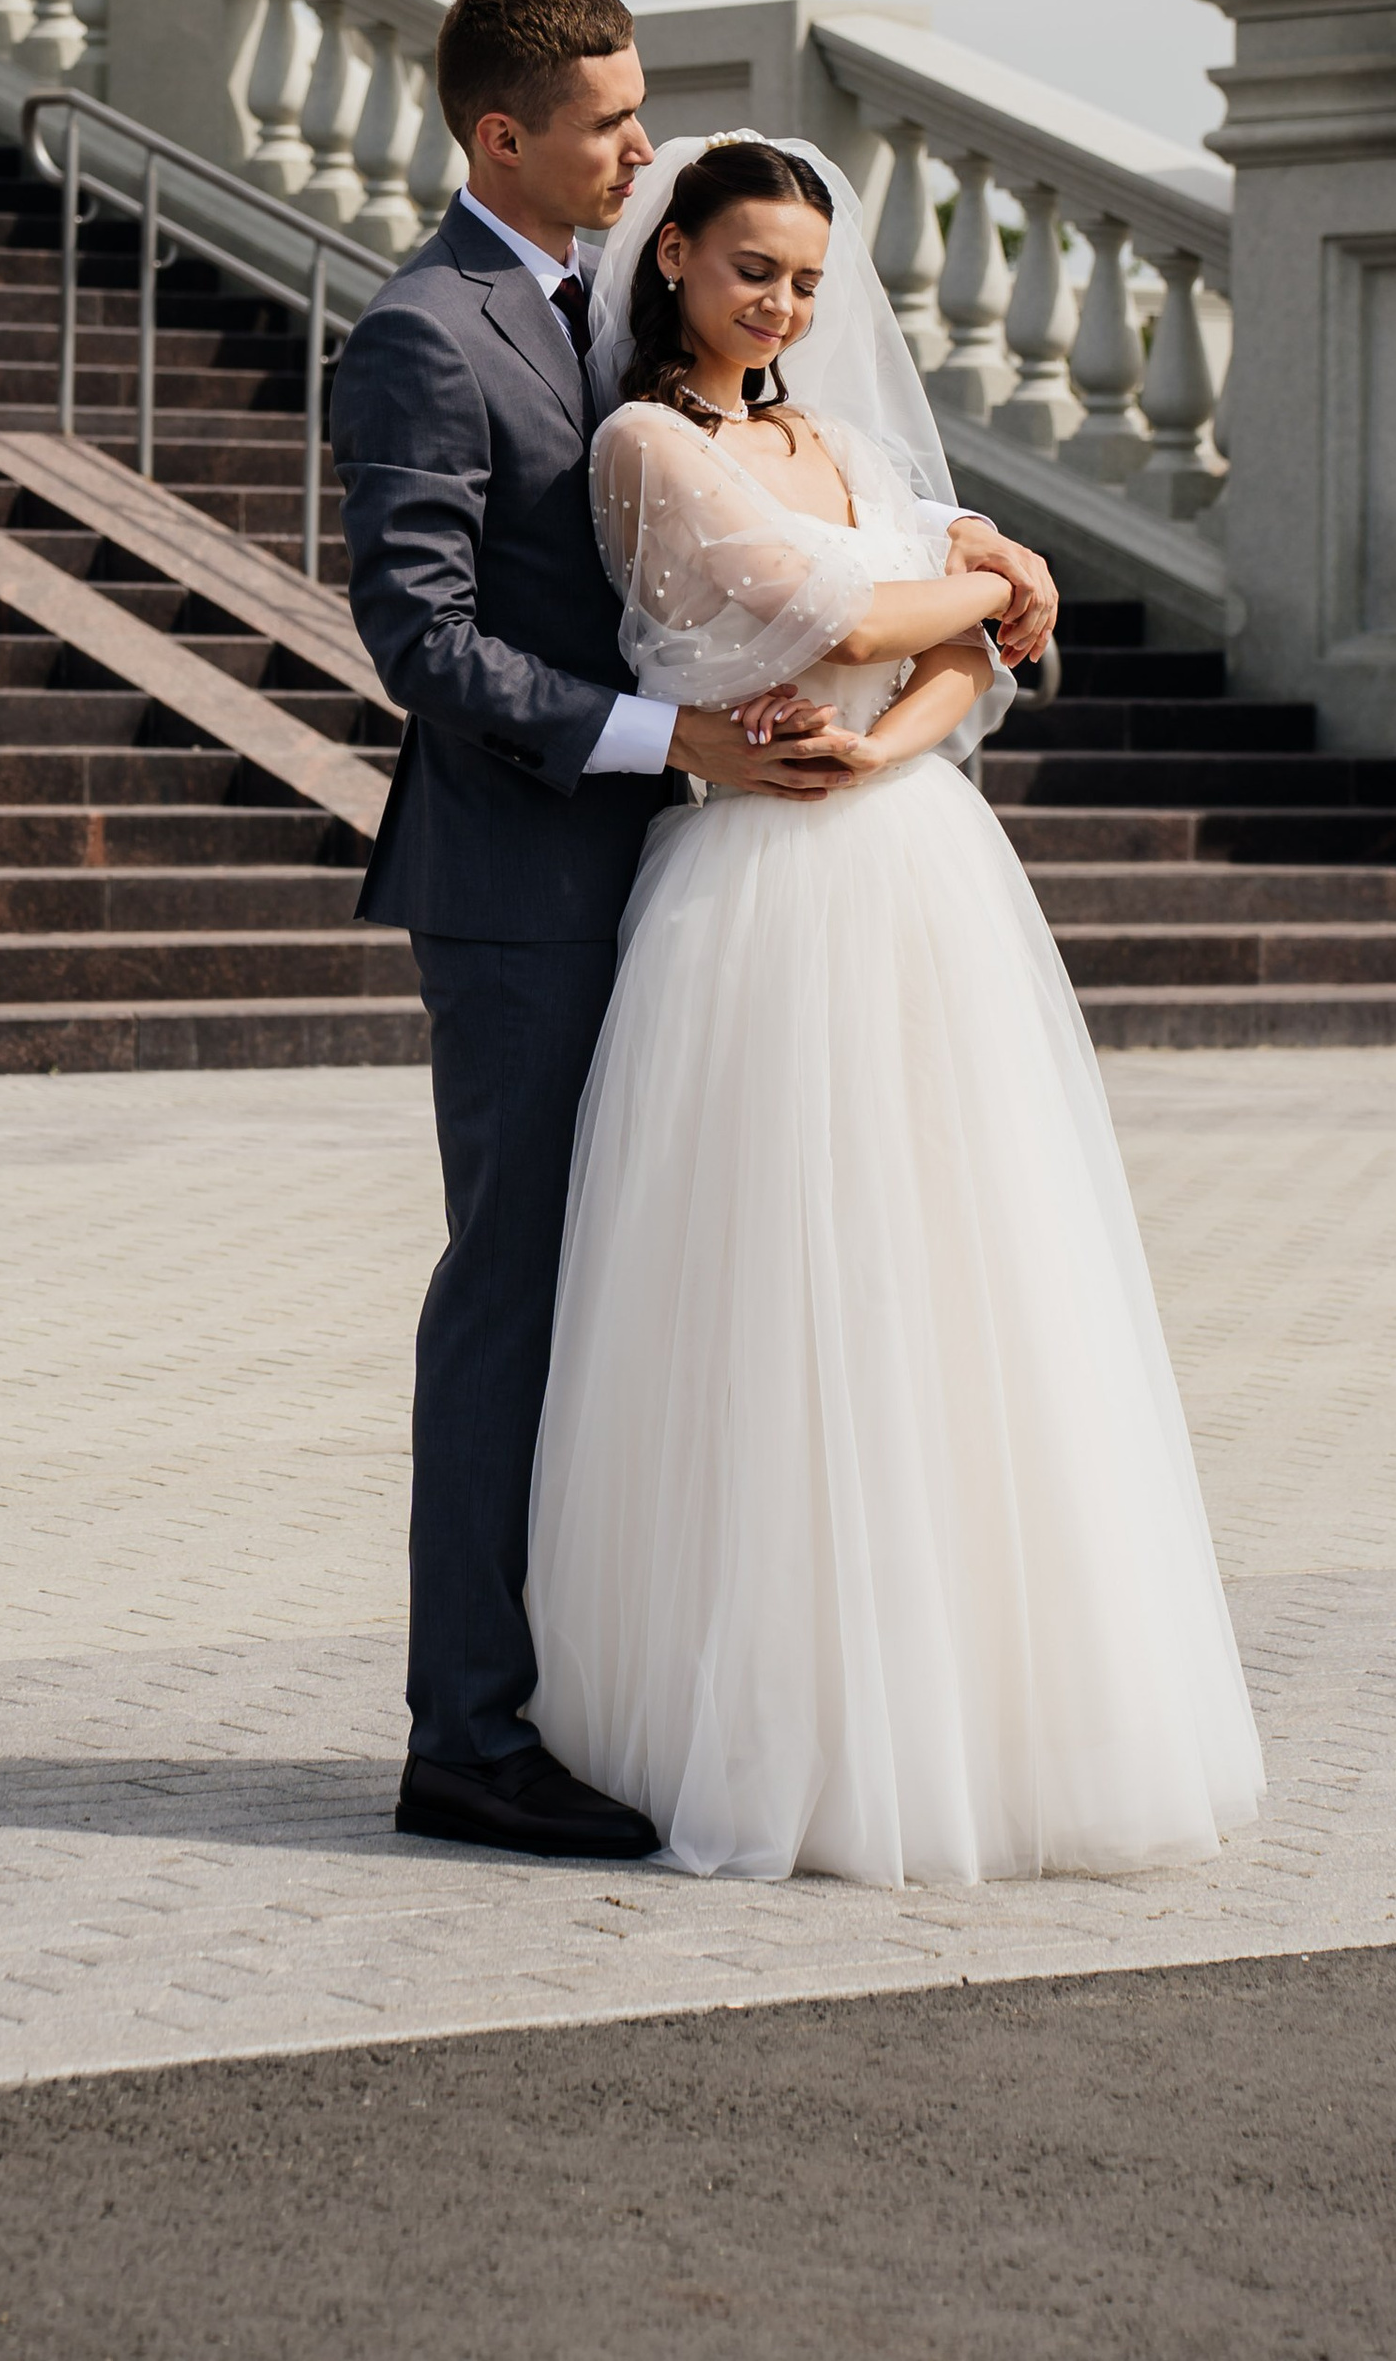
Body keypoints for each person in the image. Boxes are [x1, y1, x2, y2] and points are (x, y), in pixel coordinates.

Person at [330, 0, 1061, 1863]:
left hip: (692, 882)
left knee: (678, 1299)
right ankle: (465, 1737)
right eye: (608, 123)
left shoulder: (618, 310)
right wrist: (682, 742)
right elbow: (422, 638)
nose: (640, 145)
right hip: (524, 888)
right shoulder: (423, 332)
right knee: (515, 1299)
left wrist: (977, 551)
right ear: (504, 135)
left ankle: (636, 1700)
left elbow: (760, 492)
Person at [522, 132, 1266, 1883]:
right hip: (753, 895)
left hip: (909, 858)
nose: (780, 303)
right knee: (777, 1281)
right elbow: (836, 609)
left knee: (958, 1266)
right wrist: (996, 575)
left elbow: (947, 658)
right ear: (673, 259)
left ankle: (979, 1714)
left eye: (803, 279)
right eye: (749, 269)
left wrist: (889, 740)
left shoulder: (841, 445)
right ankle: (777, 1716)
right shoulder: (645, 446)